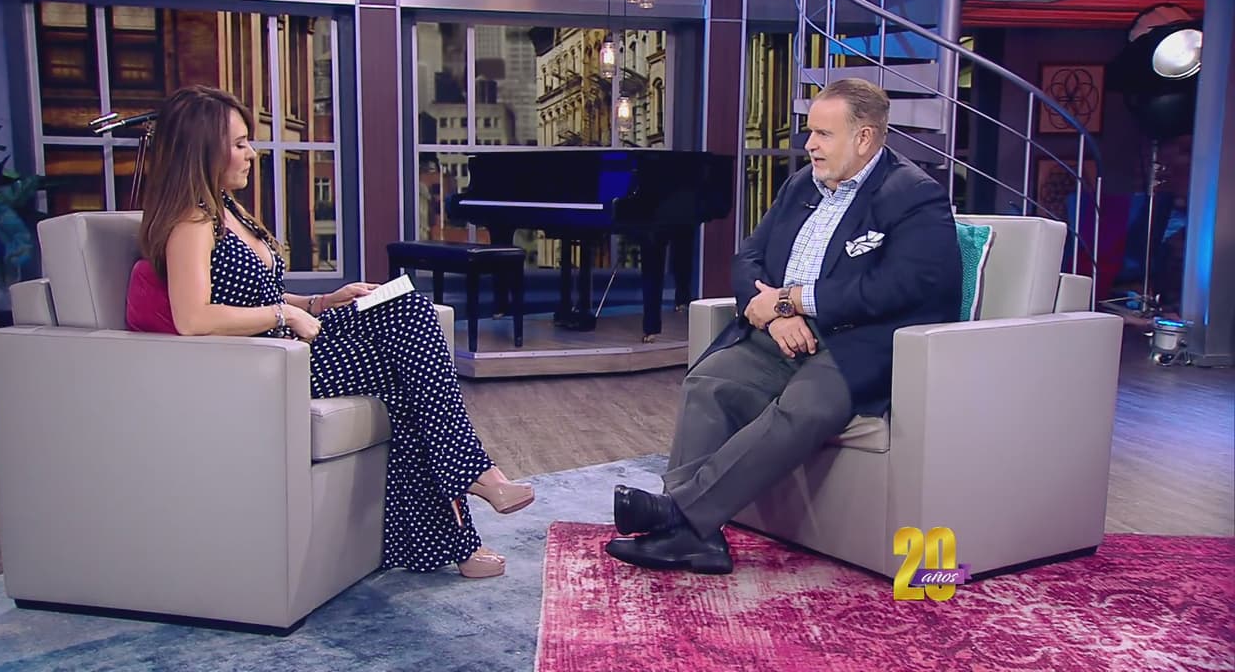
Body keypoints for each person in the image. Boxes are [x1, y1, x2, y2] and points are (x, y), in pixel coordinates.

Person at [136, 84, 534, 579]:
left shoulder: (229, 210)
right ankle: (474, 479)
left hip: (291, 341)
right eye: (239, 144)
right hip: (269, 364)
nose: (251, 153)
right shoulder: (192, 223)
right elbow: (193, 317)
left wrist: (321, 301)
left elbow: (259, 293)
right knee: (408, 343)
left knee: (406, 312)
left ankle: (460, 532)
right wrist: (284, 317)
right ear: (202, 150)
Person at [604, 78, 962, 574]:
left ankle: (677, 516)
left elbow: (905, 285)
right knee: (710, 380)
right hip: (782, 333)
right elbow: (748, 257)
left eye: (823, 134)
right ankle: (693, 537)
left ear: (864, 138)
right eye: (809, 132)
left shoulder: (913, 195)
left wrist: (792, 300)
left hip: (856, 345)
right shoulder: (801, 185)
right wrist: (775, 315)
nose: (809, 144)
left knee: (804, 406)